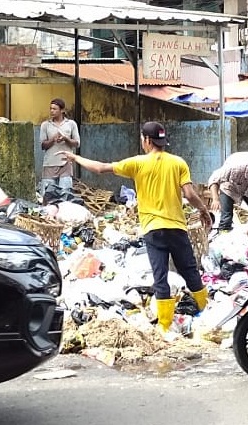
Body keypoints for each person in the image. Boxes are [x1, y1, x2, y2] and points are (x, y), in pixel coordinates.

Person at [60, 122, 212, 336]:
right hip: (177, 227)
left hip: (153, 230)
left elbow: (101, 168)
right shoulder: (178, 163)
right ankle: (205, 316)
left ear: (147, 140)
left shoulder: (137, 163)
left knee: (161, 277)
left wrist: (75, 158)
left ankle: (165, 327)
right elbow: (189, 194)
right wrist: (204, 210)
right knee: (190, 272)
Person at [39, 98, 80, 198]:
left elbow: (77, 143)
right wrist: (53, 139)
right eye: (51, 108)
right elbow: (43, 145)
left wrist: (66, 138)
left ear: (62, 110)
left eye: (55, 109)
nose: (52, 111)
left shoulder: (71, 124)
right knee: (48, 196)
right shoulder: (45, 125)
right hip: (49, 163)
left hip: (65, 163)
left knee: (65, 195)